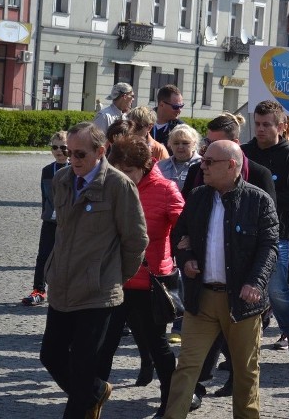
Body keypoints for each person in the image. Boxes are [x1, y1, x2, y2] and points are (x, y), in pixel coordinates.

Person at [39, 122, 148, 419]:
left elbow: (136, 239)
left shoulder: (118, 185)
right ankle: (96, 391)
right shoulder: (61, 179)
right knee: (50, 355)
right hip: (62, 283)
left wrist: (114, 277)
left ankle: (83, 402)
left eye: (80, 154)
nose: (72, 159)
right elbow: (57, 230)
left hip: (99, 291)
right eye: (67, 151)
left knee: (84, 364)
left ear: (101, 151)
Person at [163, 140, 279, 419]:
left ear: (231, 166)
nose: (201, 166)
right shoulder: (198, 196)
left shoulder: (259, 200)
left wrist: (256, 282)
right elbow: (179, 234)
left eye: (208, 162)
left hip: (242, 301)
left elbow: (270, 247)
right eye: (202, 160)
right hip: (201, 299)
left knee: (245, 371)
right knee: (187, 367)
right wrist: (187, 257)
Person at [105, 136, 185, 418]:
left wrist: (190, 253)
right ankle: (91, 398)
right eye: (117, 169)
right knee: (105, 343)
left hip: (150, 281)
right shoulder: (110, 186)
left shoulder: (166, 189)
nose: (122, 176)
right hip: (114, 280)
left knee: (156, 343)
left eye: (128, 171)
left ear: (145, 166)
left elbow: (184, 228)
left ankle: (170, 399)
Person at [241, 100, 289, 356]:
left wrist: (267, 199)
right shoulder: (245, 152)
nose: (260, 129)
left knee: (277, 290)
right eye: (257, 124)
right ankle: (241, 349)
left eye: (266, 124)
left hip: (278, 235)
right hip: (244, 232)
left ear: (281, 126)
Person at [22, 131, 69, 306]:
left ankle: (69, 292)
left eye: (63, 147)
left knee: (68, 257)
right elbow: (45, 197)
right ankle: (38, 290)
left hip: (70, 222)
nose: (59, 151)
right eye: (55, 147)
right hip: (50, 221)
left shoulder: (75, 168)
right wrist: (46, 215)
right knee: (43, 255)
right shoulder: (47, 170)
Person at [158, 124, 203, 190]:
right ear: (170, 144)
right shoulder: (160, 165)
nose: (180, 147)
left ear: (194, 144)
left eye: (185, 143)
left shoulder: (202, 165)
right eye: (176, 143)